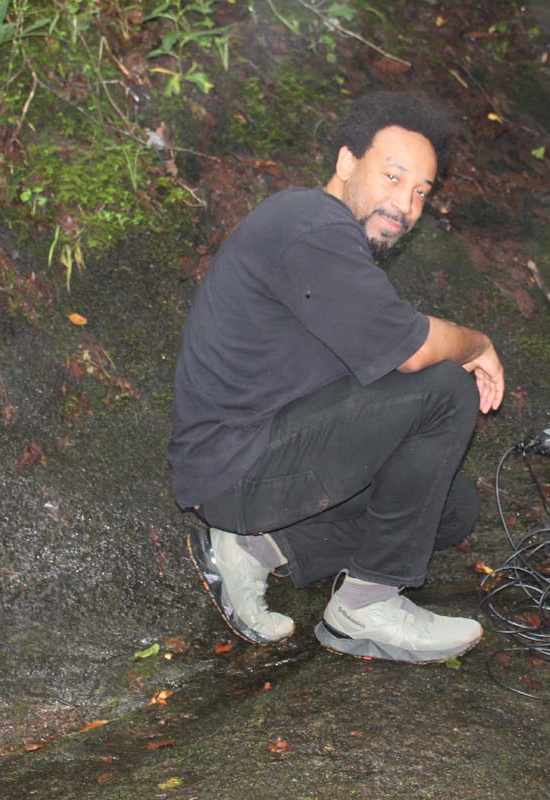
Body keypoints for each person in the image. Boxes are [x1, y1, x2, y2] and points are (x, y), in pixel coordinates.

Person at [168, 91, 504, 664]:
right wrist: (480, 343)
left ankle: (255, 549)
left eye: (421, 192)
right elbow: (415, 353)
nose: (405, 204)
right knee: (447, 388)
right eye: (393, 177)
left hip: (272, 458)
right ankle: (366, 606)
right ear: (347, 163)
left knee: (452, 507)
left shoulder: (330, 243)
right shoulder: (310, 224)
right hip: (236, 462)